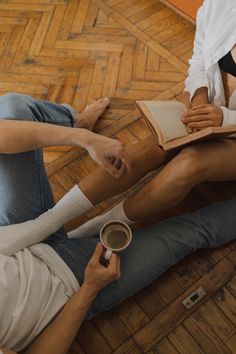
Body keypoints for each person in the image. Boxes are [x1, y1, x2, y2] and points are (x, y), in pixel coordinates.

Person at [0, 93, 236, 354]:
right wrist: (89, 289)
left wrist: (85, 139)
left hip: (15, 234)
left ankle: (79, 122)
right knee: (195, 233)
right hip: (70, 287)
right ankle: (93, 229)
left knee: (11, 107)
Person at [67, 0, 236, 238]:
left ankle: (96, 228)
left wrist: (225, 118)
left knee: (190, 163)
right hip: (209, 106)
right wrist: (199, 98)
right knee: (156, 145)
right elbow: (199, 60)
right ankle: (50, 220)